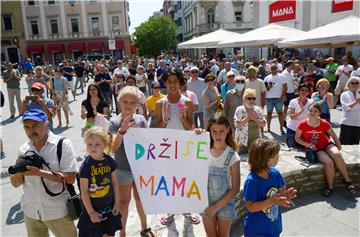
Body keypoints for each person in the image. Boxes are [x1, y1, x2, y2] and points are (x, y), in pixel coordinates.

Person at [10, 109, 77, 237]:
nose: (31, 131)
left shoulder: (62, 145)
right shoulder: (24, 149)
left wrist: (39, 173)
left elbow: (70, 178)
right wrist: (19, 170)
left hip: (57, 211)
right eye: (27, 127)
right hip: (32, 212)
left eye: (35, 126)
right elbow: (15, 184)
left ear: (47, 125)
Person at [154, 68, 199, 226]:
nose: (172, 85)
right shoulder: (160, 103)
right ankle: (170, 209)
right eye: (169, 82)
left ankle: (187, 208)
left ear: (180, 83)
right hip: (166, 148)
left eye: (175, 81)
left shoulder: (187, 102)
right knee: (168, 180)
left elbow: (190, 127)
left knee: (185, 179)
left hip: (184, 148)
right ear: (164, 83)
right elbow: (158, 128)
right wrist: (165, 119)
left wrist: (181, 117)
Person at [108, 86, 154, 237]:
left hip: (140, 168)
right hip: (123, 168)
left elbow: (149, 143)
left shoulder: (141, 120)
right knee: (124, 203)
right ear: (119, 102)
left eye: (132, 102)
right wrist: (122, 131)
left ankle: (144, 227)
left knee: (141, 200)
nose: (128, 105)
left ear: (137, 104)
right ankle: (122, 233)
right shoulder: (114, 122)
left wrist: (136, 131)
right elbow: (114, 147)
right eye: (125, 101)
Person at [295, 102, 356, 196]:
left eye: (315, 111)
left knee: (337, 155)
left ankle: (347, 181)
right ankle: (329, 187)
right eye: (310, 110)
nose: (312, 113)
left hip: (327, 144)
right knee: (329, 162)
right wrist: (306, 144)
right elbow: (297, 138)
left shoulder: (324, 123)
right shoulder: (302, 124)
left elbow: (335, 137)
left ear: (319, 113)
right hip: (315, 148)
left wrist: (339, 149)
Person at [243, 138, 297, 237]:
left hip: (274, 227)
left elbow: (281, 191)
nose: (278, 157)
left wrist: (286, 196)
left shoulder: (275, 173)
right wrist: (271, 201)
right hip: (256, 231)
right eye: (276, 155)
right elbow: (250, 207)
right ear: (266, 160)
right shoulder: (252, 181)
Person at [77, 126, 121, 237]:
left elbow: (115, 183)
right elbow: (84, 192)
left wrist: (117, 203)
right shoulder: (86, 166)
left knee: (108, 234)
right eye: (89, 144)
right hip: (93, 210)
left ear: (105, 145)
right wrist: (91, 212)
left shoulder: (109, 161)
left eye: (97, 144)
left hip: (109, 208)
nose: (93, 147)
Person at [202, 112, 240, 237]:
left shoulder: (233, 157)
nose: (218, 135)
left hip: (225, 204)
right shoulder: (202, 149)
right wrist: (197, 134)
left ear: (228, 129)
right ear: (209, 130)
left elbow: (235, 189)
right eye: (214, 131)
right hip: (205, 203)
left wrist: (216, 207)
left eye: (221, 131)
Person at [234, 89, 266, 154]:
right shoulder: (239, 109)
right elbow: (237, 125)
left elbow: (263, 124)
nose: (252, 100)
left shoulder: (258, 109)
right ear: (244, 99)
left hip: (256, 142)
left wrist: (256, 119)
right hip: (242, 142)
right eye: (249, 98)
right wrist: (248, 118)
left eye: (253, 98)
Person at [286, 84, 313, 148]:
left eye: (306, 90)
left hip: (305, 129)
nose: (304, 92)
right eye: (302, 90)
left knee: (307, 148)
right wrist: (301, 110)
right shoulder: (293, 101)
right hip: (293, 128)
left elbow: (313, 116)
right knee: (292, 147)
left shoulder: (312, 102)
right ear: (298, 91)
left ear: (308, 92)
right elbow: (292, 117)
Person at [264, 64, 287, 134]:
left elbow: (285, 87)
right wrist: (269, 87)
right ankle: (268, 127)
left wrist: (282, 96)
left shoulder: (281, 76)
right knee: (269, 113)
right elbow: (265, 89)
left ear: (277, 69)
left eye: (275, 68)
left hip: (278, 98)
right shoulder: (267, 78)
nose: (273, 70)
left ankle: (281, 128)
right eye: (272, 68)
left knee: (280, 113)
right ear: (270, 69)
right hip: (269, 98)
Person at [339, 77, 360, 145]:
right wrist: (356, 102)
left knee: (355, 145)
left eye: (357, 83)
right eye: (352, 83)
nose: (354, 84)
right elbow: (346, 108)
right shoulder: (344, 94)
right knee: (344, 145)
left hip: (358, 123)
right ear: (349, 84)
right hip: (347, 122)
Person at [282, 60, 296, 128]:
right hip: (287, 93)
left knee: (292, 107)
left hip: (292, 92)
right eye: (293, 64)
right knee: (286, 107)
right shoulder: (284, 73)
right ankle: (284, 121)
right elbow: (283, 85)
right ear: (290, 65)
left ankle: (290, 120)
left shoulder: (291, 72)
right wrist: (284, 95)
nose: (294, 66)